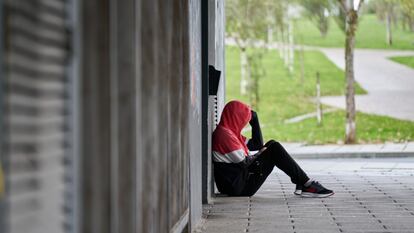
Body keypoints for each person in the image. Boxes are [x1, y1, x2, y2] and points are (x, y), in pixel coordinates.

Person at [212, 100, 334, 197]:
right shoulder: (224, 135)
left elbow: (256, 144)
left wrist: (255, 121)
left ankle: (302, 182)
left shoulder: (230, 132)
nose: (244, 123)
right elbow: (245, 163)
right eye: (243, 119)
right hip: (239, 188)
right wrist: (259, 154)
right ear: (235, 118)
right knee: (274, 148)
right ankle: (307, 184)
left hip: (238, 182)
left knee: (271, 144)